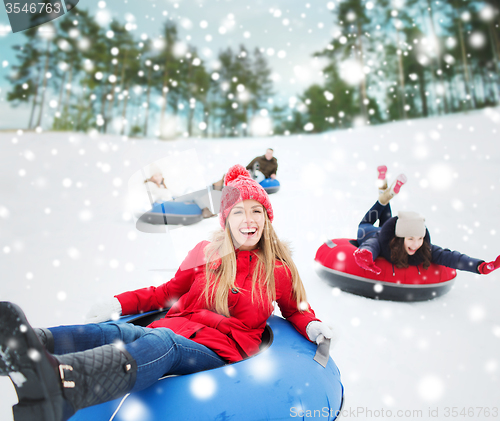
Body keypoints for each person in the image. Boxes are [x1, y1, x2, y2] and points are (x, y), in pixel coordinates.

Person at [0, 164, 332, 421]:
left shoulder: (277, 270)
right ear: (226, 220)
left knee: (163, 345)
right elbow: (166, 293)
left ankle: (66, 385)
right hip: (177, 326)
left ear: (267, 217)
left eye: (256, 211)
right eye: (239, 212)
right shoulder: (206, 252)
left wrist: (312, 325)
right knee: (118, 331)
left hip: (221, 350)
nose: (249, 220)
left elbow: (296, 309)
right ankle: (26, 345)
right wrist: (119, 302)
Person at [353, 165, 500, 276]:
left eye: (420, 238)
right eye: (410, 238)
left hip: (388, 229)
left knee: (384, 209)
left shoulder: (422, 248)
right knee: (372, 218)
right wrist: (365, 254)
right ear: (400, 238)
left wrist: (480, 266)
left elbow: (449, 256)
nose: (416, 244)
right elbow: (370, 246)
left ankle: (384, 191)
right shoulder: (380, 241)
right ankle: (383, 195)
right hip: (367, 232)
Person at [212, 148, 278, 191]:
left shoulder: (274, 163)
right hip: (252, 171)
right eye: (268, 153)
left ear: (272, 154)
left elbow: (274, 172)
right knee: (237, 175)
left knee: (255, 178)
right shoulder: (258, 159)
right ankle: (218, 185)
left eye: (270, 153)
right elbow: (248, 166)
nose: (269, 154)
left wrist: (273, 175)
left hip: (262, 175)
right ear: (266, 153)